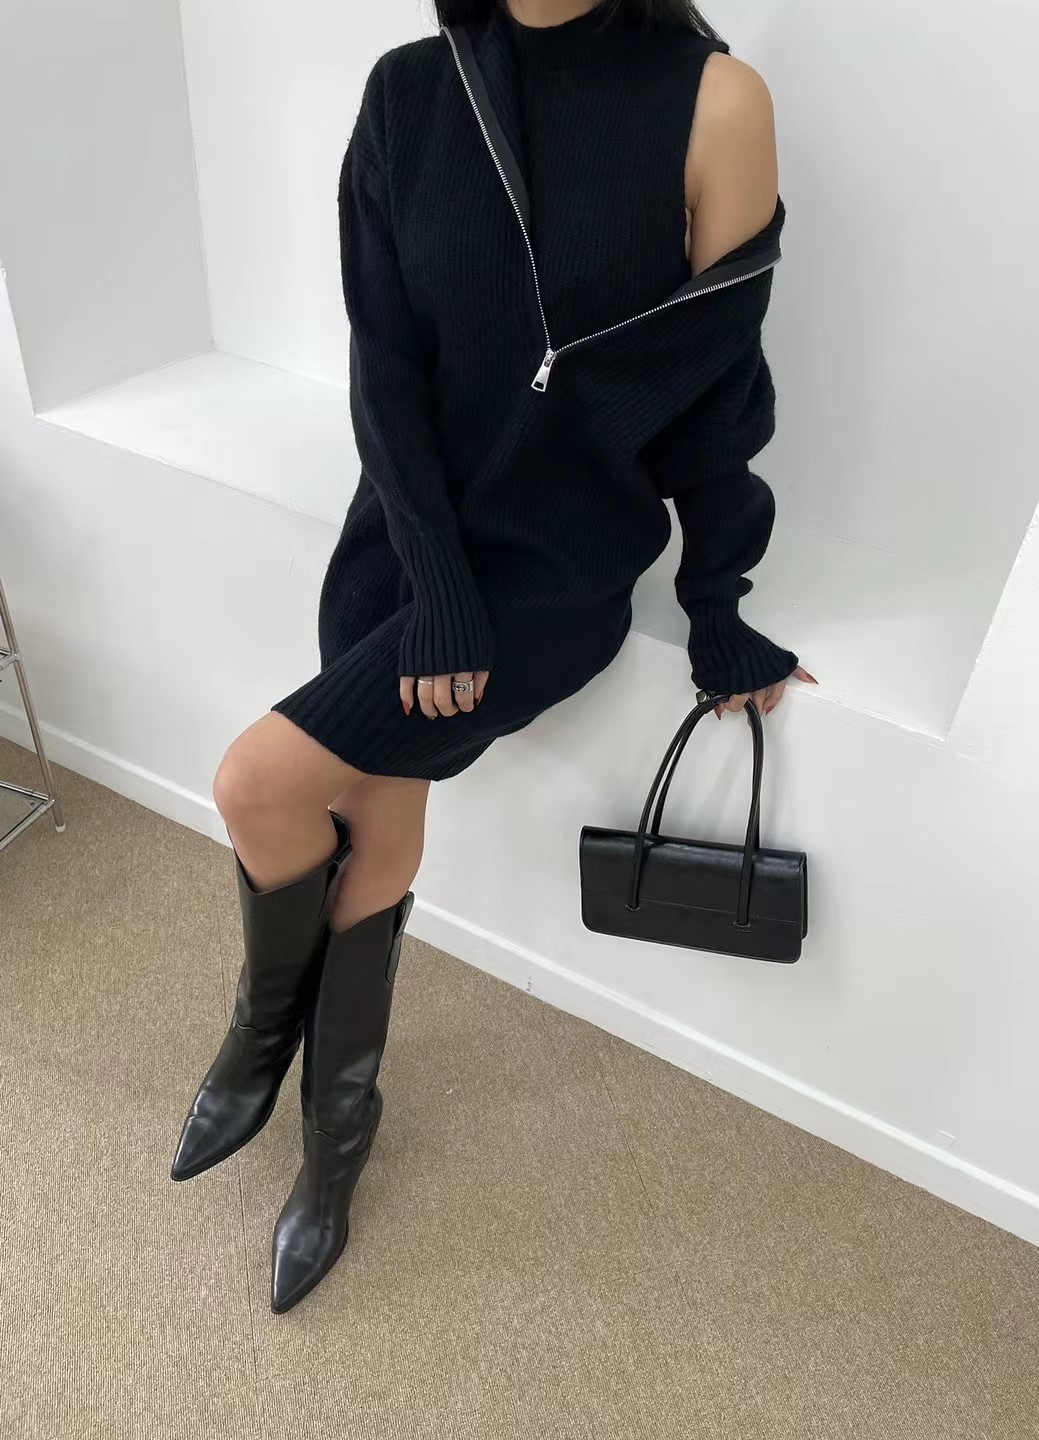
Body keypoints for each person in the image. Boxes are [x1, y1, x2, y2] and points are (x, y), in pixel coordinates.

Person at [170, 0, 815, 1314]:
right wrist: (435, 586)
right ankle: (336, 1117)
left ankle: (266, 1045)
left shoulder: (716, 103)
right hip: (404, 546)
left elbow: (715, 397)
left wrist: (717, 600)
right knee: (375, 805)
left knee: (257, 784)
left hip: (556, 571)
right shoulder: (410, 92)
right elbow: (385, 369)